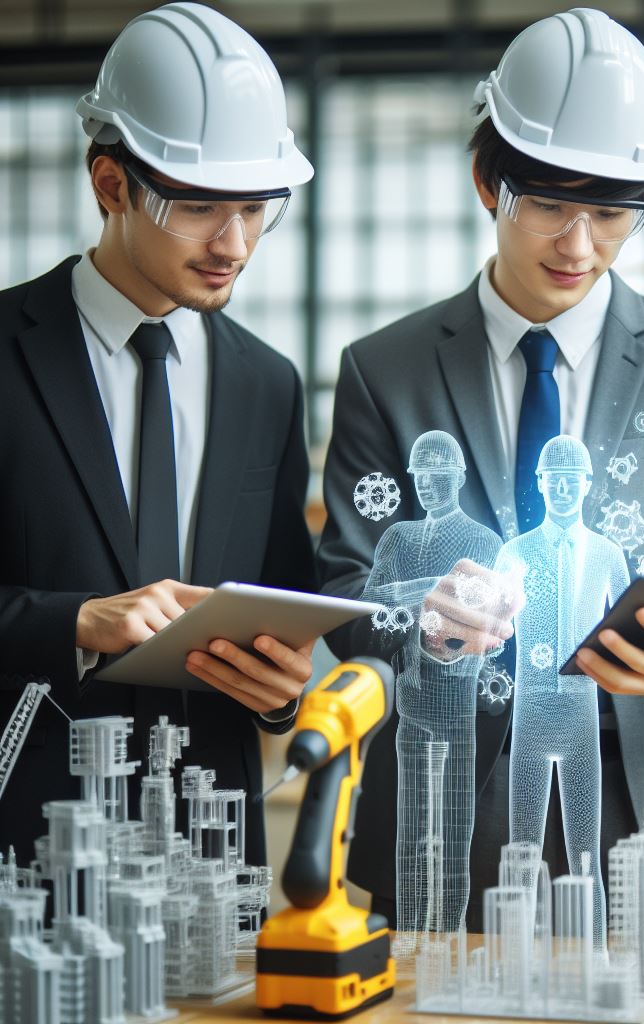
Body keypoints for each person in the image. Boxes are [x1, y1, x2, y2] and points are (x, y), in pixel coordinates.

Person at [318, 8, 644, 933]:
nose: (578, 246)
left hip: (635, 808)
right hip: (440, 810)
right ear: (489, 181)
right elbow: (344, 587)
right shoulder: (385, 369)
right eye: (549, 206)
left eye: (611, 214)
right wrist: (422, 622)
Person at [0, 2, 316, 867]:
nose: (235, 243)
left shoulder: (268, 384)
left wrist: (285, 694)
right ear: (110, 185)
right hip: (28, 840)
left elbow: (285, 604)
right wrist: (74, 622)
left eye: (258, 209)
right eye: (203, 208)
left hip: (213, 849)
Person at [359, 430, 504, 946]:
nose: (427, 485)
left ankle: (445, 947)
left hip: (459, 712)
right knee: (414, 840)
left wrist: (414, 599)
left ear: (459, 478)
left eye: (439, 476)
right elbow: (371, 615)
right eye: (421, 476)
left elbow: (489, 627)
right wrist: (429, 593)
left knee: (452, 841)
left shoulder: (485, 543)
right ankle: (416, 948)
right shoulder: (397, 538)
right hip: (413, 708)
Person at [496, 435, 630, 951]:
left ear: (588, 484)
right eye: (556, 480)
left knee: (585, 851)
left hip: (580, 714)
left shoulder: (606, 553)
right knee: (522, 849)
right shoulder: (516, 553)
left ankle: (593, 955)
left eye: (575, 479)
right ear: (542, 484)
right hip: (529, 712)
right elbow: (492, 626)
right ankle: (514, 963)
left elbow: (631, 623)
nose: (565, 489)